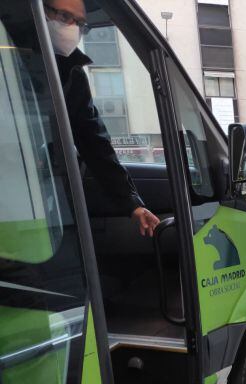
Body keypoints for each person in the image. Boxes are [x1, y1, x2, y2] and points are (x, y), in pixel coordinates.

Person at [44, 0, 160, 236]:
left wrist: (132, 204)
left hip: (49, 203)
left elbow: (94, 141)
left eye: (80, 23)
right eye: (65, 17)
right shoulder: (12, 63)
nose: (73, 29)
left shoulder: (70, 73)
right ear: (38, 10)